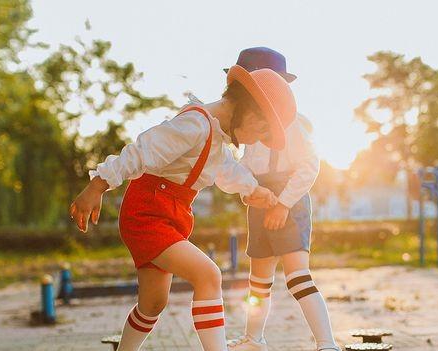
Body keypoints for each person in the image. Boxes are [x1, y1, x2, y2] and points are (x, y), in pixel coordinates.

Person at [69, 64, 296, 351]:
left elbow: (226, 170)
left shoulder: (215, 137)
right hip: (148, 212)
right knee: (208, 275)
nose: (257, 140)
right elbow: (143, 150)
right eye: (262, 129)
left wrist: (254, 190)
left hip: (173, 214)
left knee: (152, 303)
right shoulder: (195, 125)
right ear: (248, 110)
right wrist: (98, 185)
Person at [227, 47, 341, 351]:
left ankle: (326, 343)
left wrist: (282, 203)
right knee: (258, 280)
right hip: (261, 197)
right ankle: (254, 338)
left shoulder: (294, 122)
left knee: (297, 276)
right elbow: (245, 166)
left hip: (288, 198)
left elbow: (309, 166)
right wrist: (247, 191)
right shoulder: (250, 124)